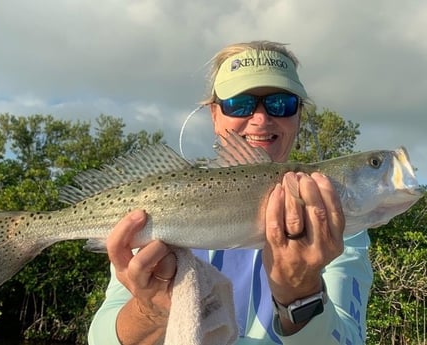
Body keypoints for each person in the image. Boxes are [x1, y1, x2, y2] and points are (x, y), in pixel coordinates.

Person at [88, 40, 373, 344]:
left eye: (281, 103)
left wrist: (301, 297)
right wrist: (151, 312)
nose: (261, 119)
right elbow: (101, 337)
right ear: (214, 114)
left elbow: (350, 338)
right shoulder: (157, 201)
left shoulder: (332, 219)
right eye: (239, 104)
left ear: (298, 116)